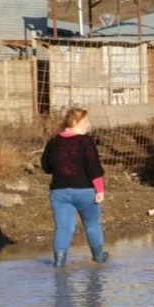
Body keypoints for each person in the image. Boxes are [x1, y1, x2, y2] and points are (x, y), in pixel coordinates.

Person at [41, 107, 109, 267]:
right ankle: (99, 258)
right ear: (74, 122)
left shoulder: (54, 141)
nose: (88, 124)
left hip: (59, 192)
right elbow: (93, 167)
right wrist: (99, 190)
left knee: (63, 228)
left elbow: (45, 166)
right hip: (85, 191)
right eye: (85, 121)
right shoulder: (85, 141)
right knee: (92, 225)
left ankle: (59, 263)